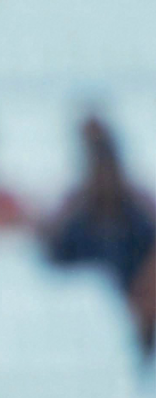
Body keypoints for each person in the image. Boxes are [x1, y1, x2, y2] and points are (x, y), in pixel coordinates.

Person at [44, 116, 156, 361]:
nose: (105, 181)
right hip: (83, 320)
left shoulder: (140, 215)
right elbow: (54, 263)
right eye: (98, 172)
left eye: (109, 171)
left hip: (136, 305)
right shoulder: (74, 217)